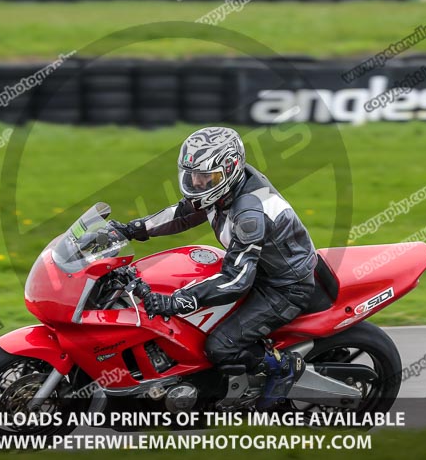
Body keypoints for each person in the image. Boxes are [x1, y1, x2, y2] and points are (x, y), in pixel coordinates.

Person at [110, 126, 320, 409]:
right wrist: (132, 229)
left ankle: (282, 367)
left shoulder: (249, 213)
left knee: (220, 346)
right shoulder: (224, 188)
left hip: (283, 287)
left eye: (206, 176)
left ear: (230, 169)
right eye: (193, 175)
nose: (197, 183)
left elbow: (237, 281)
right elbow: (185, 213)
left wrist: (177, 301)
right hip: (257, 266)